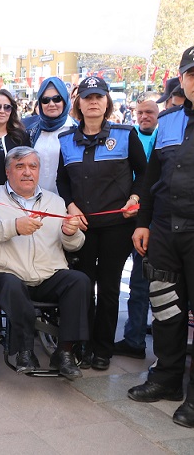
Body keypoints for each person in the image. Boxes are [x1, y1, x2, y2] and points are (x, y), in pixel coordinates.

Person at [0, 146, 89, 379]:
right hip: (8, 272)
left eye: (33, 166)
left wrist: (71, 233)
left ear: (39, 171)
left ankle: (64, 352)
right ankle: (24, 351)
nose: (27, 172)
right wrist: (14, 226)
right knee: (13, 286)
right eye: (20, 166)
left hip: (48, 272)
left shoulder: (55, 201)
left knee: (79, 281)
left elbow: (74, 245)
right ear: (7, 171)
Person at [56, 76, 146, 371]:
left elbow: (144, 174)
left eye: (98, 96)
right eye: (87, 97)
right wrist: (70, 205)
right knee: (83, 286)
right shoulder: (66, 140)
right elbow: (62, 180)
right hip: (82, 228)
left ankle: (102, 349)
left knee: (108, 289)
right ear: (78, 103)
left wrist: (135, 196)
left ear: (107, 102)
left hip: (116, 226)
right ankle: (81, 344)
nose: (93, 101)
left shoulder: (125, 134)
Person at [128, 45, 194, 428]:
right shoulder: (167, 121)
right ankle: (167, 378)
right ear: (182, 79)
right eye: (191, 73)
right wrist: (142, 223)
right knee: (166, 307)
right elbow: (151, 178)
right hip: (165, 230)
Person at [114, 93, 159, 360]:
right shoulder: (129, 136)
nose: (144, 117)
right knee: (134, 284)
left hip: (151, 221)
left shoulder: (164, 141)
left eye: (149, 113)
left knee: (142, 284)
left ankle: (135, 339)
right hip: (123, 218)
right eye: (140, 113)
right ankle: (135, 336)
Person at [25, 77, 76, 194]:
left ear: (64, 100)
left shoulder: (76, 130)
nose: (51, 104)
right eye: (45, 100)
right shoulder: (31, 130)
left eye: (57, 99)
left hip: (67, 203)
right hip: (34, 201)